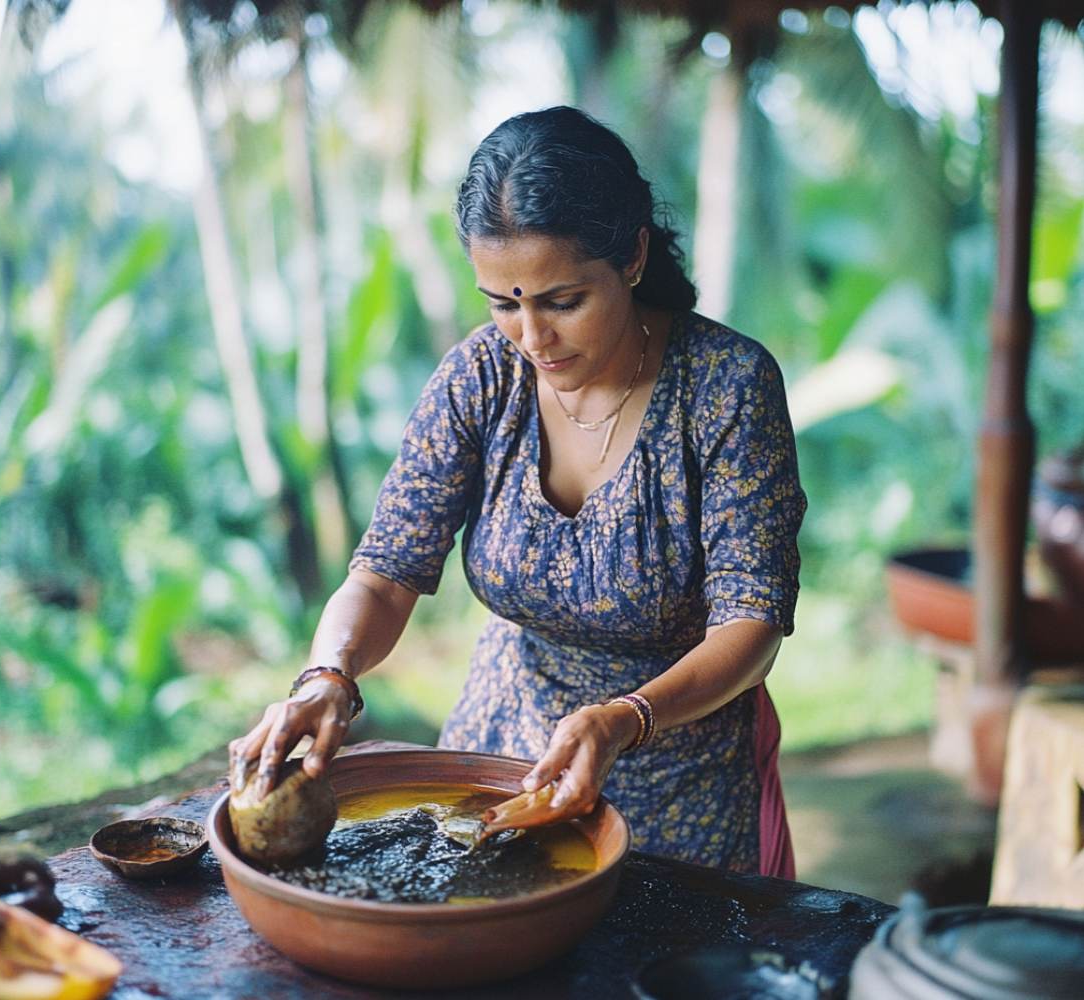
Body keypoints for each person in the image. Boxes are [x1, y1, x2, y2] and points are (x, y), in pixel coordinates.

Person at [229, 106, 806, 876]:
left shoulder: (727, 388)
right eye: (504, 303)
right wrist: (327, 674)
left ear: (632, 256)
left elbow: (752, 622)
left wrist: (624, 718)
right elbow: (387, 571)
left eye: (562, 301)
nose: (532, 338)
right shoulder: (479, 379)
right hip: (500, 758)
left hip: (682, 774)